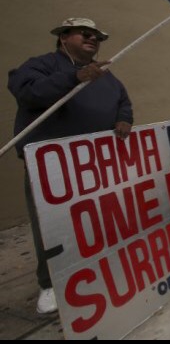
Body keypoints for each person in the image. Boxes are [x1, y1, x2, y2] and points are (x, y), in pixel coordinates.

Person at [8, 17, 133, 315]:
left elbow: (123, 100)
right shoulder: (41, 65)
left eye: (97, 36)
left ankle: (93, 269)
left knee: (94, 219)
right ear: (64, 37)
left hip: (93, 163)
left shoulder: (106, 76)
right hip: (53, 166)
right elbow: (27, 92)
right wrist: (74, 79)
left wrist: (124, 118)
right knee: (51, 226)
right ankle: (50, 283)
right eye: (85, 34)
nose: (93, 39)